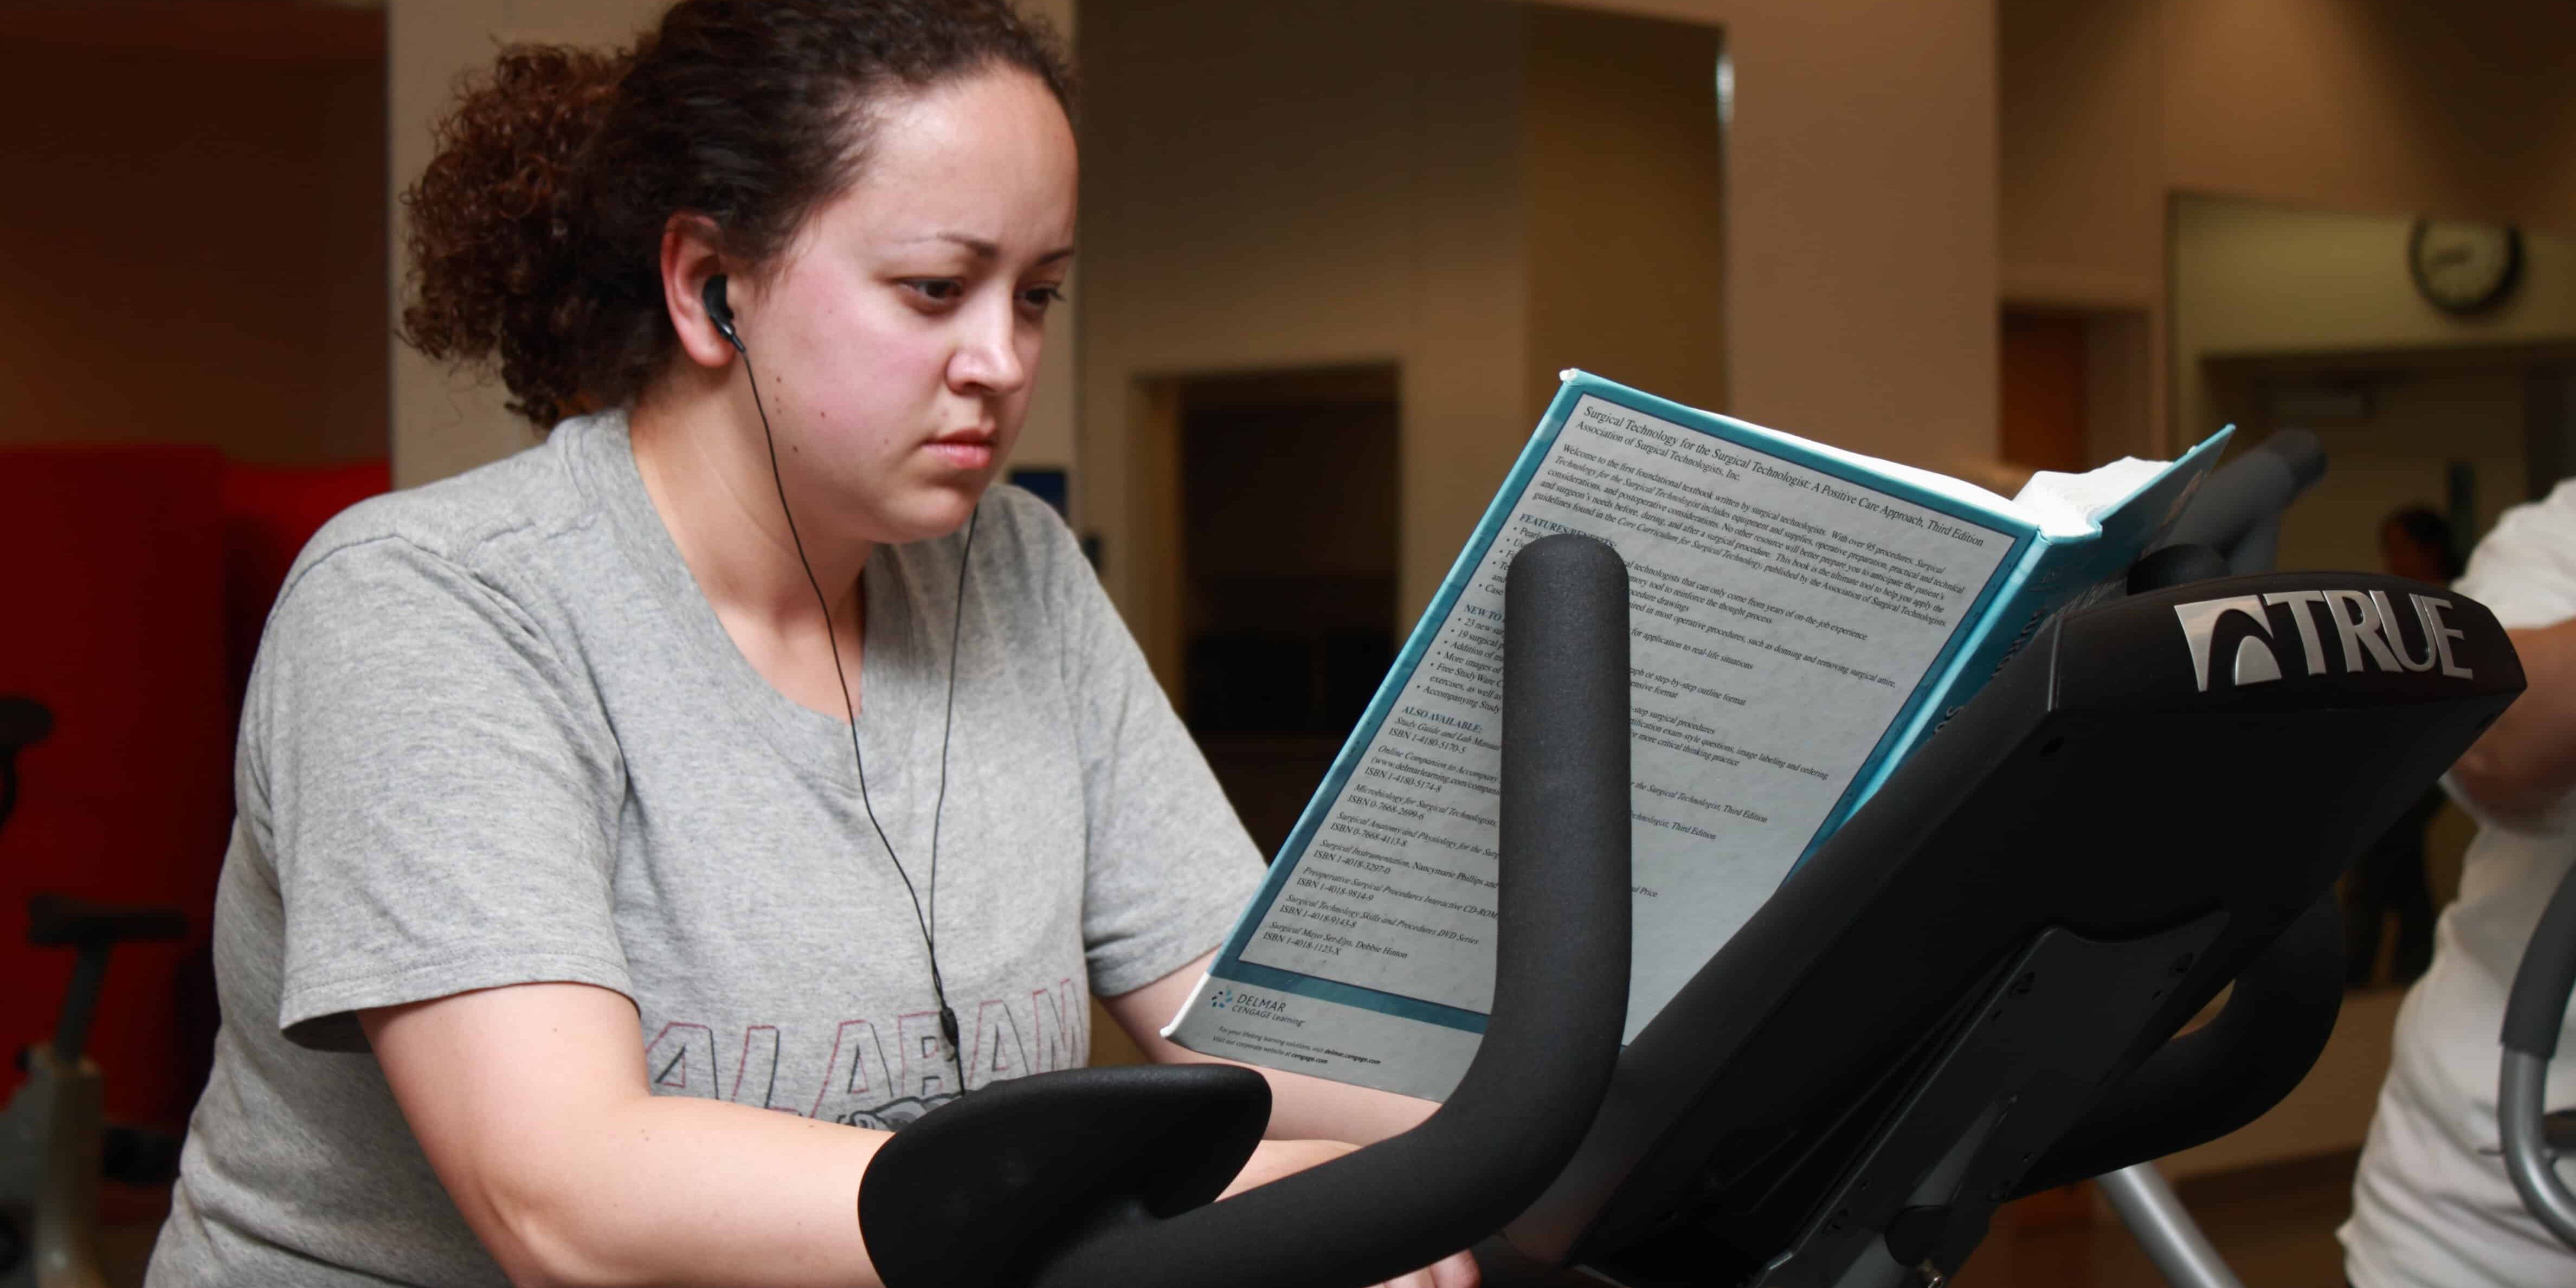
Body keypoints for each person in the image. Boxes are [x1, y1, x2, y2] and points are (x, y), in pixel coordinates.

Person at [144, 3, 1472, 1284]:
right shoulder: (432, 603)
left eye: (1037, 296)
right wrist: (1195, 1202)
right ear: (709, 287)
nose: (1002, 360)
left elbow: (1259, 1031)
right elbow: (570, 1198)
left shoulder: (1013, 570)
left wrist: (1509, 1118)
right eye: (935, 289)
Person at [2343, 487, 2576, 1285]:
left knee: (2396, 895)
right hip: (2493, 1206)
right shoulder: (2553, 538)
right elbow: (2496, 748)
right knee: (2384, 892)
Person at [2343, 507, 2460, 987]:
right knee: (2401, 871)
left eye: (2398, 549)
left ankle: (2356, 975)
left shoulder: (2459, 604)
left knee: (2376, 864)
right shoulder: (2402, 605)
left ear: (2427, 550)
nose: (2391, 561)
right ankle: (2413, 967)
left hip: (2437, 757)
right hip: (2401, 755)